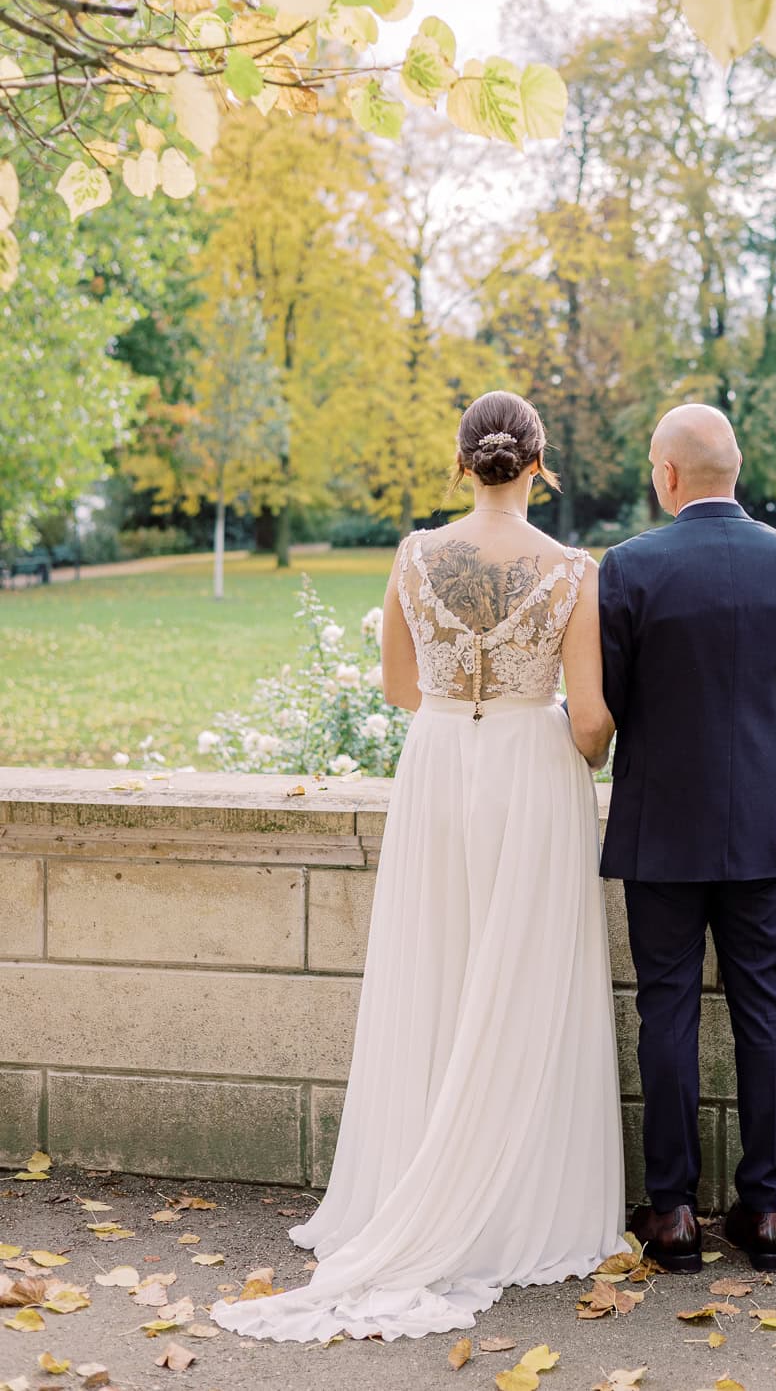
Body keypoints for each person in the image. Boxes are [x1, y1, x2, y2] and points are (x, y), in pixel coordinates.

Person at [209, 390, 626, 1345]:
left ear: (461, 460)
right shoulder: (571, 569)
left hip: (439, 762)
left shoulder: (413, 556)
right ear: (538, 462)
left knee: (433, 965)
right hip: (532, 765)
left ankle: (416, 1176)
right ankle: (518, 1198)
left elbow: (400, 686)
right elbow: (592, 716)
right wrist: (581, 747)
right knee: (525, 976)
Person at [598, 403, 776, 1275]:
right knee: (762, 1005)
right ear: (732, 470)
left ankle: (672, 1214)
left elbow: (607, 704)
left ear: (668, 474)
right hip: (761, 822)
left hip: (661, 827)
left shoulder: (628, 568)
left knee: (666, 1008)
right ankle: (766, 1209)